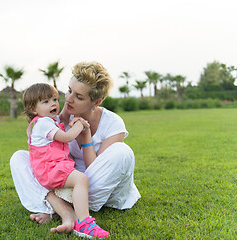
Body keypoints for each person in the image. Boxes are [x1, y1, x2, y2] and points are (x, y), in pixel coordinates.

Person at [10, 61, 140, 235]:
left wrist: (86, 136)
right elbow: (46, 156)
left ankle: (57, 206)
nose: (69, 99)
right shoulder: (60, 114)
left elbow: (96, 170)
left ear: (96, 102)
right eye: (69, 90)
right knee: (19, 158)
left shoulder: (113, 123)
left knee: (123, 152)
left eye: (79, 97)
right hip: (70, 183)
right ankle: (66, 210)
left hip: (100, 186)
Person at [22, 83, 110, 238]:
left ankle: (67, 214)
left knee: (78, 180)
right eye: (46, 101)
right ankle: (84, 223)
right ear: (33, 109)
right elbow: (67, 137)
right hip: (50, 170)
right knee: (81, 179)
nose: (54, 103)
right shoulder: (42, 124)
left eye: (55, 99)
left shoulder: (49, 121)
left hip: (52, 168)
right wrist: (79, 124)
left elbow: (61, 124)